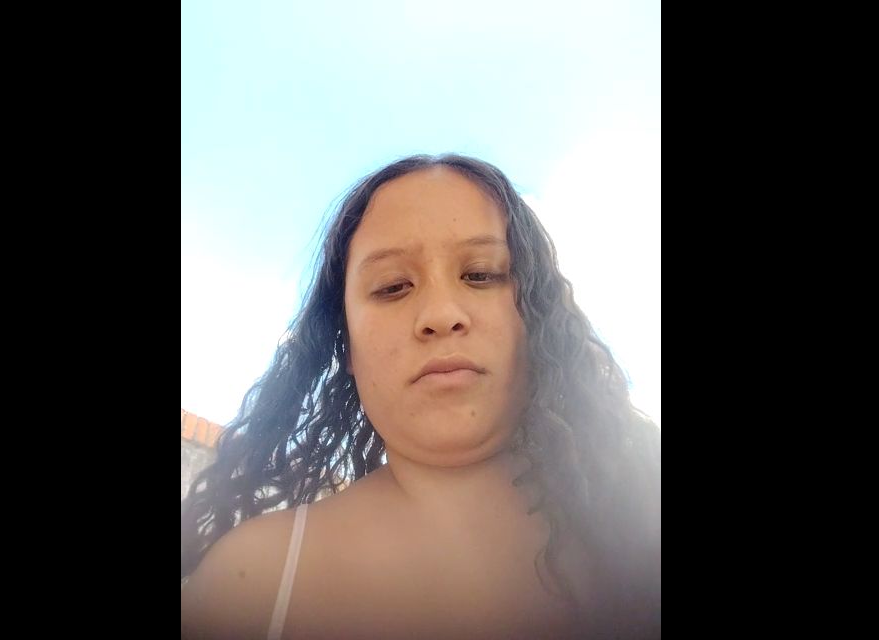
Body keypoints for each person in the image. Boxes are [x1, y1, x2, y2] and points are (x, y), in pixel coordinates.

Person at [180, 154, 661, 639]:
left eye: (481, 274)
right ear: (345, 343)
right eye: (393, 286)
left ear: (537, 314)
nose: (441, 313)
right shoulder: (252, 585)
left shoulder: (646, 531)